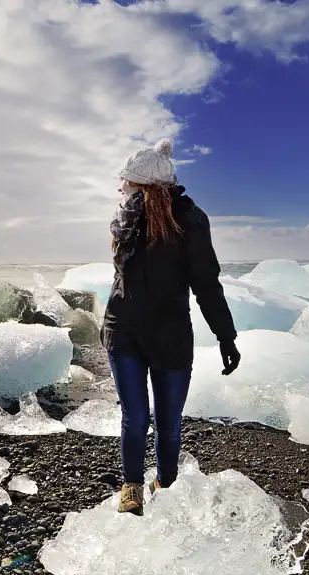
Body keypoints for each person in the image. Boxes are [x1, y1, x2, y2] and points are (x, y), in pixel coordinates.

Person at [103, 138, 241, 516]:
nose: (120, 186)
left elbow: (206, 283)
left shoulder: (189, 219)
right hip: (126, 331)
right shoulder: (125, 218)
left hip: (165, 334)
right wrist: (225, 336)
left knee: (165, 420)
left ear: (142, 183)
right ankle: (133, 486)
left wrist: (225, 333)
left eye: (125, 179)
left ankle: (163, 485)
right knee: (139, 417)